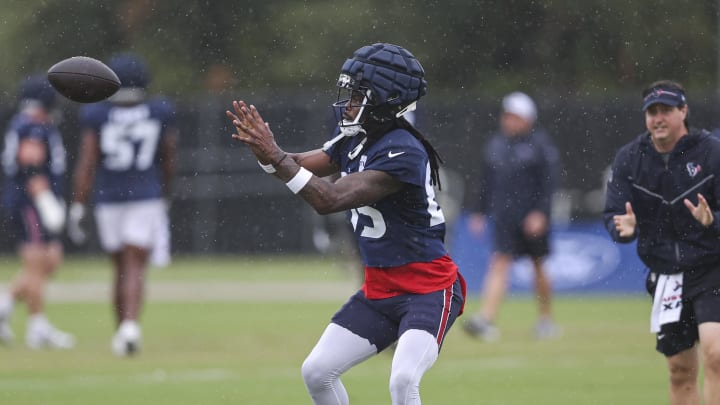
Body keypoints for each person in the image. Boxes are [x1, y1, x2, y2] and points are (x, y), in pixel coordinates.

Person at [226, 42, 465, 405]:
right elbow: (296, 163)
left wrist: (276, 156)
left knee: (402, 381)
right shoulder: (355, 140)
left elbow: (329, 199)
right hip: (380, 289)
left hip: (427, 289)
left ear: (385, 101)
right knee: (317, 372)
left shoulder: (403, 150)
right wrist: (265, 153)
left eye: (358, 96)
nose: (348, 104)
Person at [603, 80, 720, 404]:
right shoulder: (629, 158)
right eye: (652, 112)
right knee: (679, 371)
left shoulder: (711, 152)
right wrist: (622, 229)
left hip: (713, 267)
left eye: (666, 110)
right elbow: (613, 212)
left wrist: (713, 221)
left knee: (716, 353)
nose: (658, 118)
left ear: (683, 111)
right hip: (667, 275)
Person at [68, 52, 178, 357]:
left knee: (119, 267)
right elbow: (168, 158)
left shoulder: (98, 113)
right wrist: (166, 192)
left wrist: (78, 205)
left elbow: (87, 162)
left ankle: (122, 331)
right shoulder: (160, 110)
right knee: (135, 266)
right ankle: (129, 326)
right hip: (144, 194)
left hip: (109, 197)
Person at [463, 91, 561, 341]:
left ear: (527, 119)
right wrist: (478, 211)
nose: (508, 120)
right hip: (505, 217)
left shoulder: (541, 145)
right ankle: (486, 318)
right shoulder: (496, 144)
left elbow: (549, 184)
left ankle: (546, 320)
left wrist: (541, 213)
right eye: (506, 116)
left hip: (532, 218)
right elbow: (486, 182)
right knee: (499, 262)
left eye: (514, 116)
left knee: (538, 266)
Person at [0, 74, 75, 349]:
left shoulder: (34, 123)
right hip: (30, 203)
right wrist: (45, 201)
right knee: (35, 263)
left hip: (35, 201)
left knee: (50, 262)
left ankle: (5, 304)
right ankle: (37, 326)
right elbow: (31, 166)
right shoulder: (32, 126)